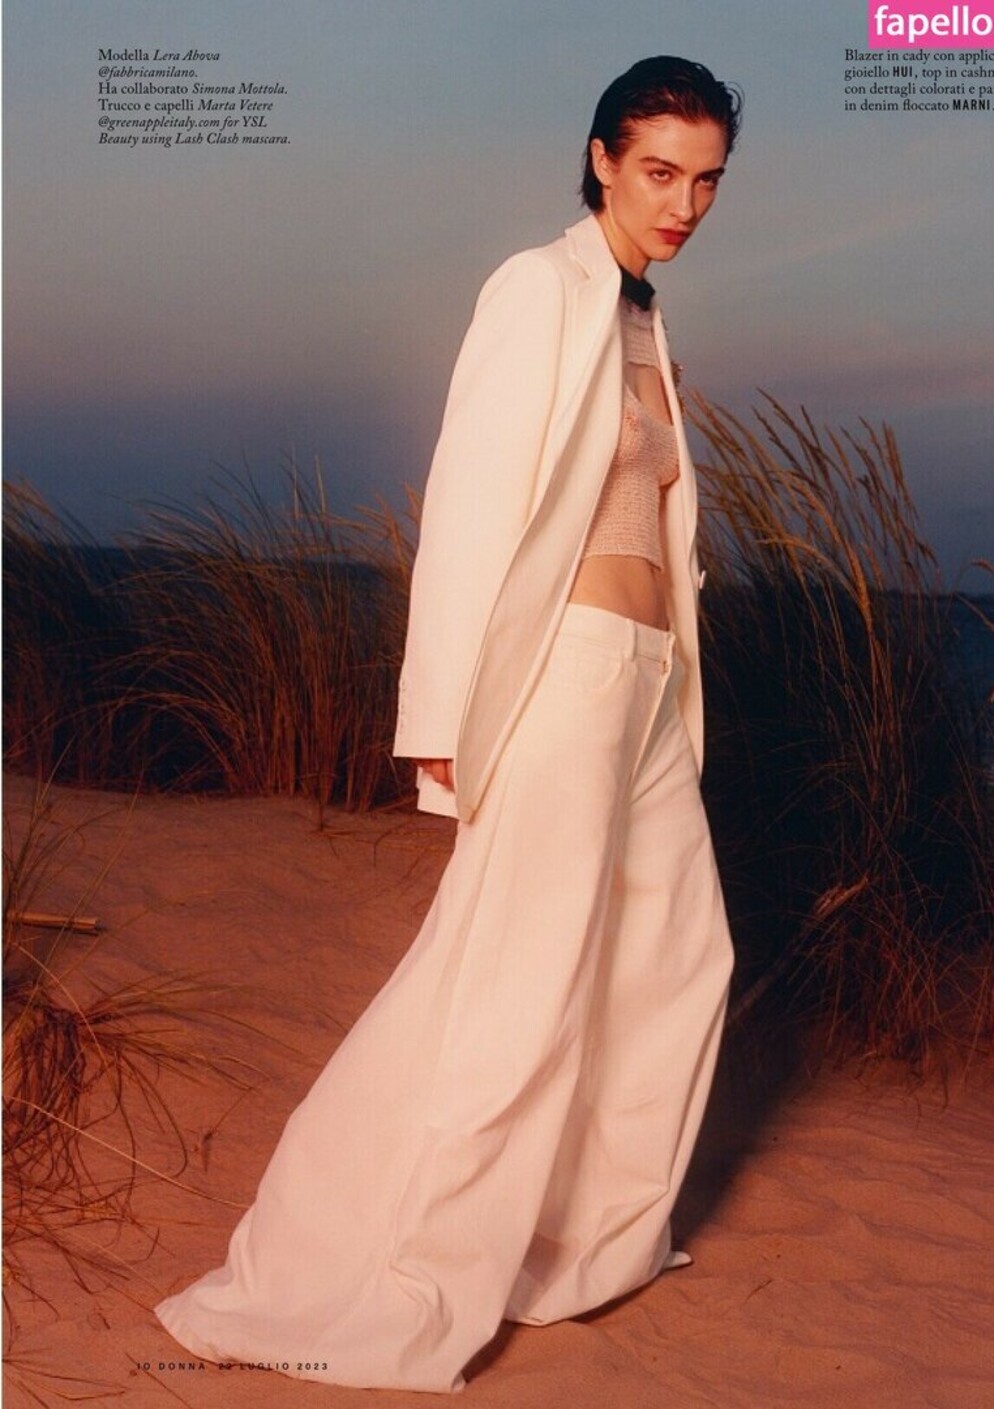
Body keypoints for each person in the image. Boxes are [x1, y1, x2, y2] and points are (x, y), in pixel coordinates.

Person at [155, 55, 742, 1394]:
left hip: (647, 682)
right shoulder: (537, 288)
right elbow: (470, 504)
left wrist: (666, 672)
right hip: (565, 677)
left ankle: (581, 1246)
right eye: (660, 171)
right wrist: (441, 711)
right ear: (600, 160)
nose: (684, 204)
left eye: (707, 180)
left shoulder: (642, 321)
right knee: (512, 988)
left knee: (679, 960)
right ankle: (406, 1278)